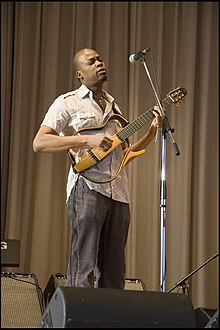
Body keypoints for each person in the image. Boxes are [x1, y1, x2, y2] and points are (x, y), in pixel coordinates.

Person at [33, 48, 162, 289]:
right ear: (80, 74)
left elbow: (124, 155)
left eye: (100, 59)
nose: (99, 63)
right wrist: (85, 140)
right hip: (88, 189)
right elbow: (39, 143)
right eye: (91, 62)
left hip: (119, 193)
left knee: (115, 271)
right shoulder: (67, 102)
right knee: (84, 266)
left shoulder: (114, 106)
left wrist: (152, 131)